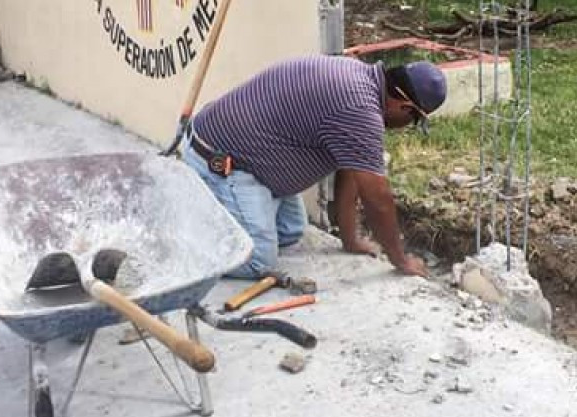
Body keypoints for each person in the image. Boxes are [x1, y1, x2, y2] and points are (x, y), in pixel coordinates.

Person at [178, 54, 448, 279]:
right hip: (224, 161)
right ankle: (181, 245)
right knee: (257, 260)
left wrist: (350, 239)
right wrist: (401, 260)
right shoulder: (360, 110)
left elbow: (350, 167)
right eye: (413, 122)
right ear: (405, 107)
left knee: (290, 231)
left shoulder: (360, 78)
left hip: (249, 156)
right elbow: (378, 200)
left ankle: (226, 218)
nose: (405, 127)